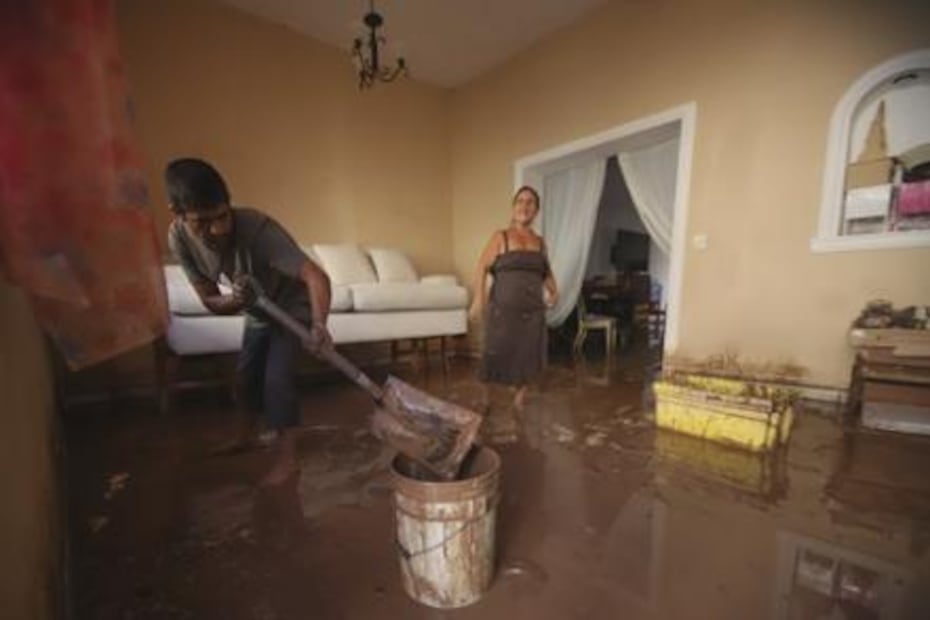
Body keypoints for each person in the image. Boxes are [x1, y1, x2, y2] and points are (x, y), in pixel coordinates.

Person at [165, 158, 332, 486]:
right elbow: (210, 300)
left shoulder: (258, 230)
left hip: (291, 305)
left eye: (222, 216)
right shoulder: (179, 239)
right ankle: (245, 436)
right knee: (244, 378)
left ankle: (288, 460)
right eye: (202, 222)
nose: (217, 229)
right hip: (257, 308)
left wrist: (319, 324)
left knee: (276, 380)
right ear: (178, 214)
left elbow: (315, 276)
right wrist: (237, 301)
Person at [469, 185, 558, 412]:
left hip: (532, 311)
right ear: (513, 207)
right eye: (520, 201)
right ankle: (486, 400)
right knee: (493, 351)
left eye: (530, 202)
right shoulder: (501, 237)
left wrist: (554, 291)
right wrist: (479, 299)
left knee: (526, 354)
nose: (524, 206)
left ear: (536, 210)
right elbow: (481, 267)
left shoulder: (540, 242)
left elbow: (546, 271)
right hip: (502, 309)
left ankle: (518, 401)